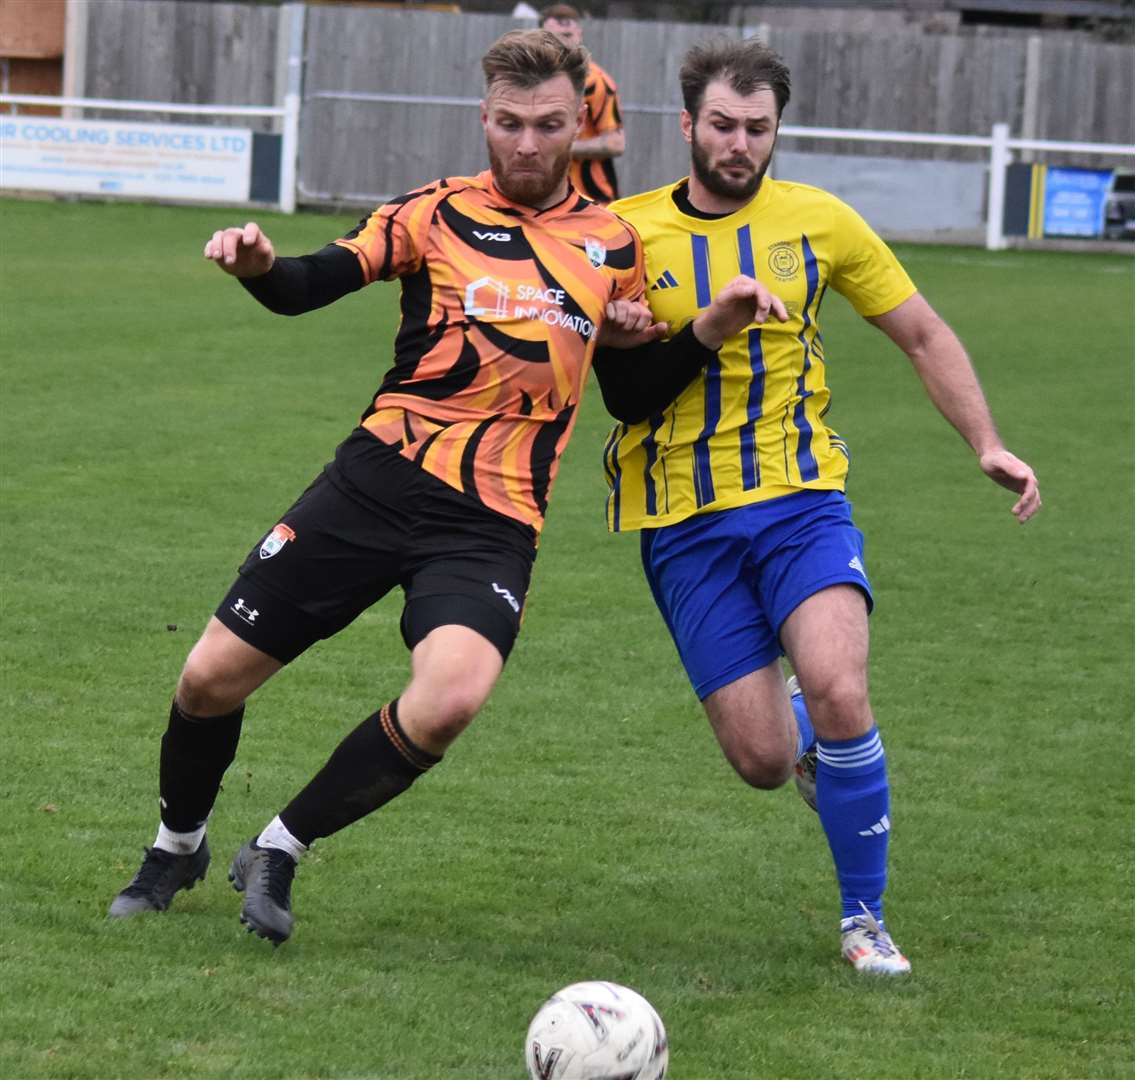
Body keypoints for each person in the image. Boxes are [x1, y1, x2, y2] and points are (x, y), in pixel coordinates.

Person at [107, 28, 780, 946]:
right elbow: (312, 282)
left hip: (493, 519)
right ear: (484, 117)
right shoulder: (430, 213)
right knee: (209, 678)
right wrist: (262, 266)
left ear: (579, 121)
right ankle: (176, 845)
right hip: (375, 482)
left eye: (548, 125)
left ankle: (280, 845)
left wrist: (696, 327)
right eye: (509, 124)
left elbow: (627, 392)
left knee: (453, 693)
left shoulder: (611, 241)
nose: (528, 145)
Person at [592, 37, 1041, 975]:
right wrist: (622, 333)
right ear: (686, 125)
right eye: (722, 124)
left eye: (758, 128)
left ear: (775, 130)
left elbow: (920, 332)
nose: (739, 144)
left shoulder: (820, 223)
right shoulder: (625, 235)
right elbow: (608, 378)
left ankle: (862, 921)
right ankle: (797, 735)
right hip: (682, 521)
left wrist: (986, 443)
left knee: (841, 684)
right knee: (759, 760)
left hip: (802, 500)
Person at [540, 4, 624, 204]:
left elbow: (615, 143)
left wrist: (559, 147)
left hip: (592, 199)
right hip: (547, 198)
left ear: (580, 35)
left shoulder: (595, 82)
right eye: (552, 38)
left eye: (567, 35)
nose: (561, 44)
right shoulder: (534, 81)